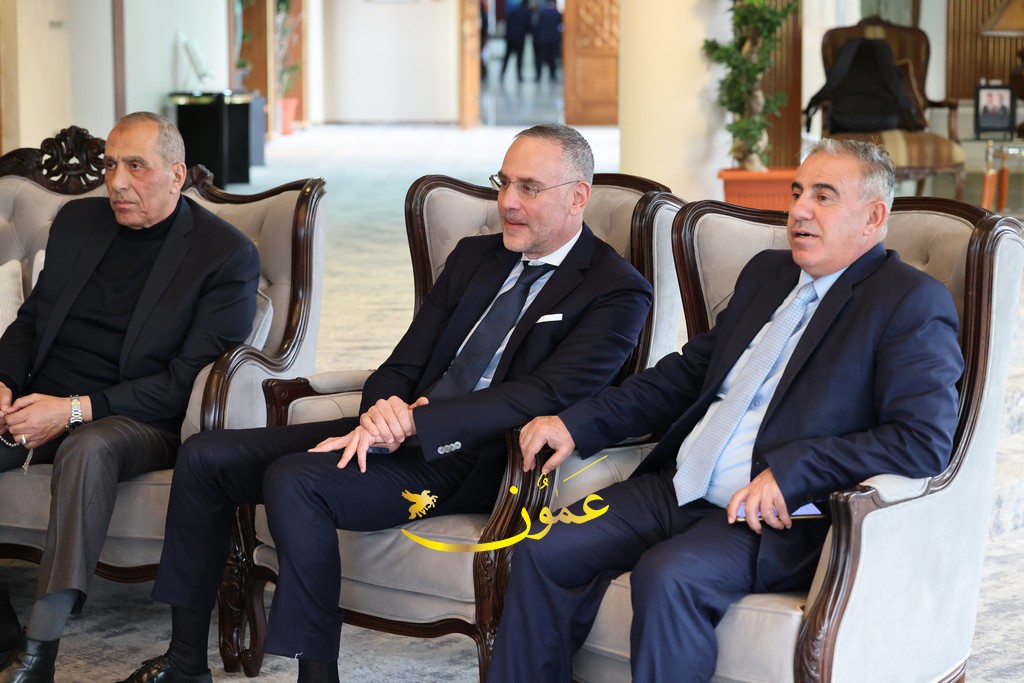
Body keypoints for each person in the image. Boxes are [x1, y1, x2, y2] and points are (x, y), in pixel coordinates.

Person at [118, 123, 653, 683]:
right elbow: (402, 363)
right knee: (205, 456)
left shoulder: (616, 289)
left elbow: (545, 394)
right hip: (396, 431)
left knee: (296, 479)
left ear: (577, 196)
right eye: (504, 183)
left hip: (477, 460)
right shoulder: (475, 258)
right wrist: (381, 414)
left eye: (529, 188)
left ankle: (317, 677)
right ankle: (185, 664)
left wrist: (415, 424)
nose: (507, 203)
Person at [487, 138, 964, 682]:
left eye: (824, 197)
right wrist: (577, 423)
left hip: (773, 517)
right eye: (797, 193)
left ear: (874, 217)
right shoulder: (767, 275)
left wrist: (792, 472)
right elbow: (685, 376)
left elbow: (922, 440)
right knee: (545, 548)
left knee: (667, 576)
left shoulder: (908, 301)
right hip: (677, 485)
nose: (799, 210)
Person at [0, 111, 260, 682]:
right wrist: (5, 382)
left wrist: (71, 410)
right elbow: (32, 321)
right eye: (111, 165)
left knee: (86, 447)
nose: (117, 182)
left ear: (176, 174)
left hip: (138, 417)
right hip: (41, 398)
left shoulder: (223, 254)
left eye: (136, 167)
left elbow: (184, 379)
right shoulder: (78, 222)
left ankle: (40, 649)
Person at [500, 1, 533, 83]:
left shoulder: (513, 12)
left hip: (510, 37)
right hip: (520, 38)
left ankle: (502, 74)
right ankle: (519, 76)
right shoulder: (526, 13)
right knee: (519, 58)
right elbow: (529, 26)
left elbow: (507, 22)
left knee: (507, 56)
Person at [533, 0, 561, 82]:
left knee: (540, 59)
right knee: (552, 58)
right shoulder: (556, 13)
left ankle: (538, 75)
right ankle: (552, 75)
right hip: (553, 39)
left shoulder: (542, 12)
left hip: (543, 39)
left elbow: (537, 26)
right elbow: (560, 25)